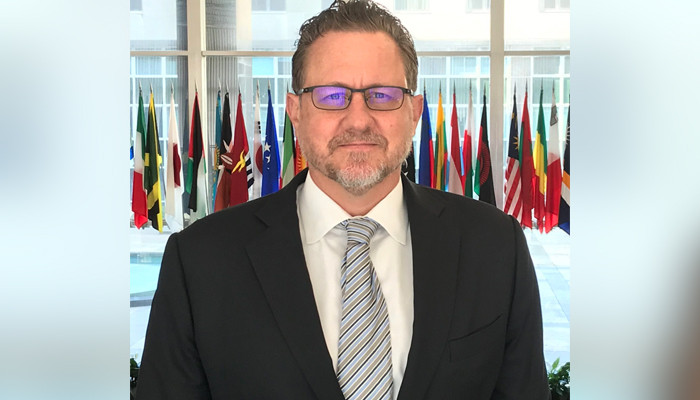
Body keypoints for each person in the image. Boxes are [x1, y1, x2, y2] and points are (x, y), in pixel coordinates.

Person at [136, 1, 550, 399]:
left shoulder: (495, 246)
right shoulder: (200, 260)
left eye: (382, 95)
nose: (358, 119)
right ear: (296, 111)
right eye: (332, 96)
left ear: (414, 111)